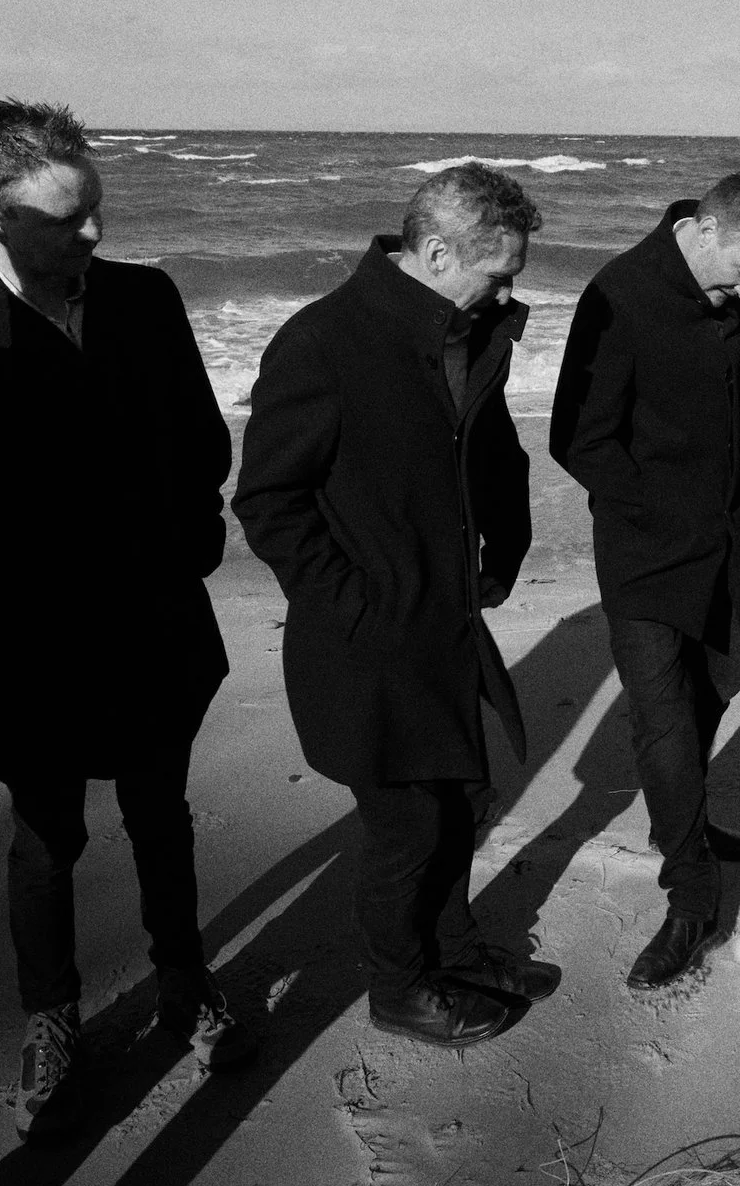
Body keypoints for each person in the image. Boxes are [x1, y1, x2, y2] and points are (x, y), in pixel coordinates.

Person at [0, 97, 249, 1140]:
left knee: (161, 815)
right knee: (45, 842)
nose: (93, 234)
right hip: (35, 652)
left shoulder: (148, 300)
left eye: (95, 209)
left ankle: (186, 981)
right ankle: (52, 1018)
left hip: (155, 630)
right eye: (65, 219)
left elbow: (200, 444)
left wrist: (185, 546)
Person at [233, 163, 553, 1047]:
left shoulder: (468, 328)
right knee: (407, 823)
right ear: (438, 250)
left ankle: (452, 949)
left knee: (461, 796)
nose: (509, 288)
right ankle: (400, 989)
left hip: (445, 620)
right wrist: (354, 601)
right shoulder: (324, 342)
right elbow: (267, 499)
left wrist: (506, 546)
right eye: (499, 272)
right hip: (365, 639)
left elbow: (493, 450)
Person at [549, 166, 740, 991]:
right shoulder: (618, 296)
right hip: (648, 551)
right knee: (662, 719)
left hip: (735, 539)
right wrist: (667, 516)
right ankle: (692, 895)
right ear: (702, 228)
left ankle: (689, 820)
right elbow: (579, 438)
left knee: (717, 687)